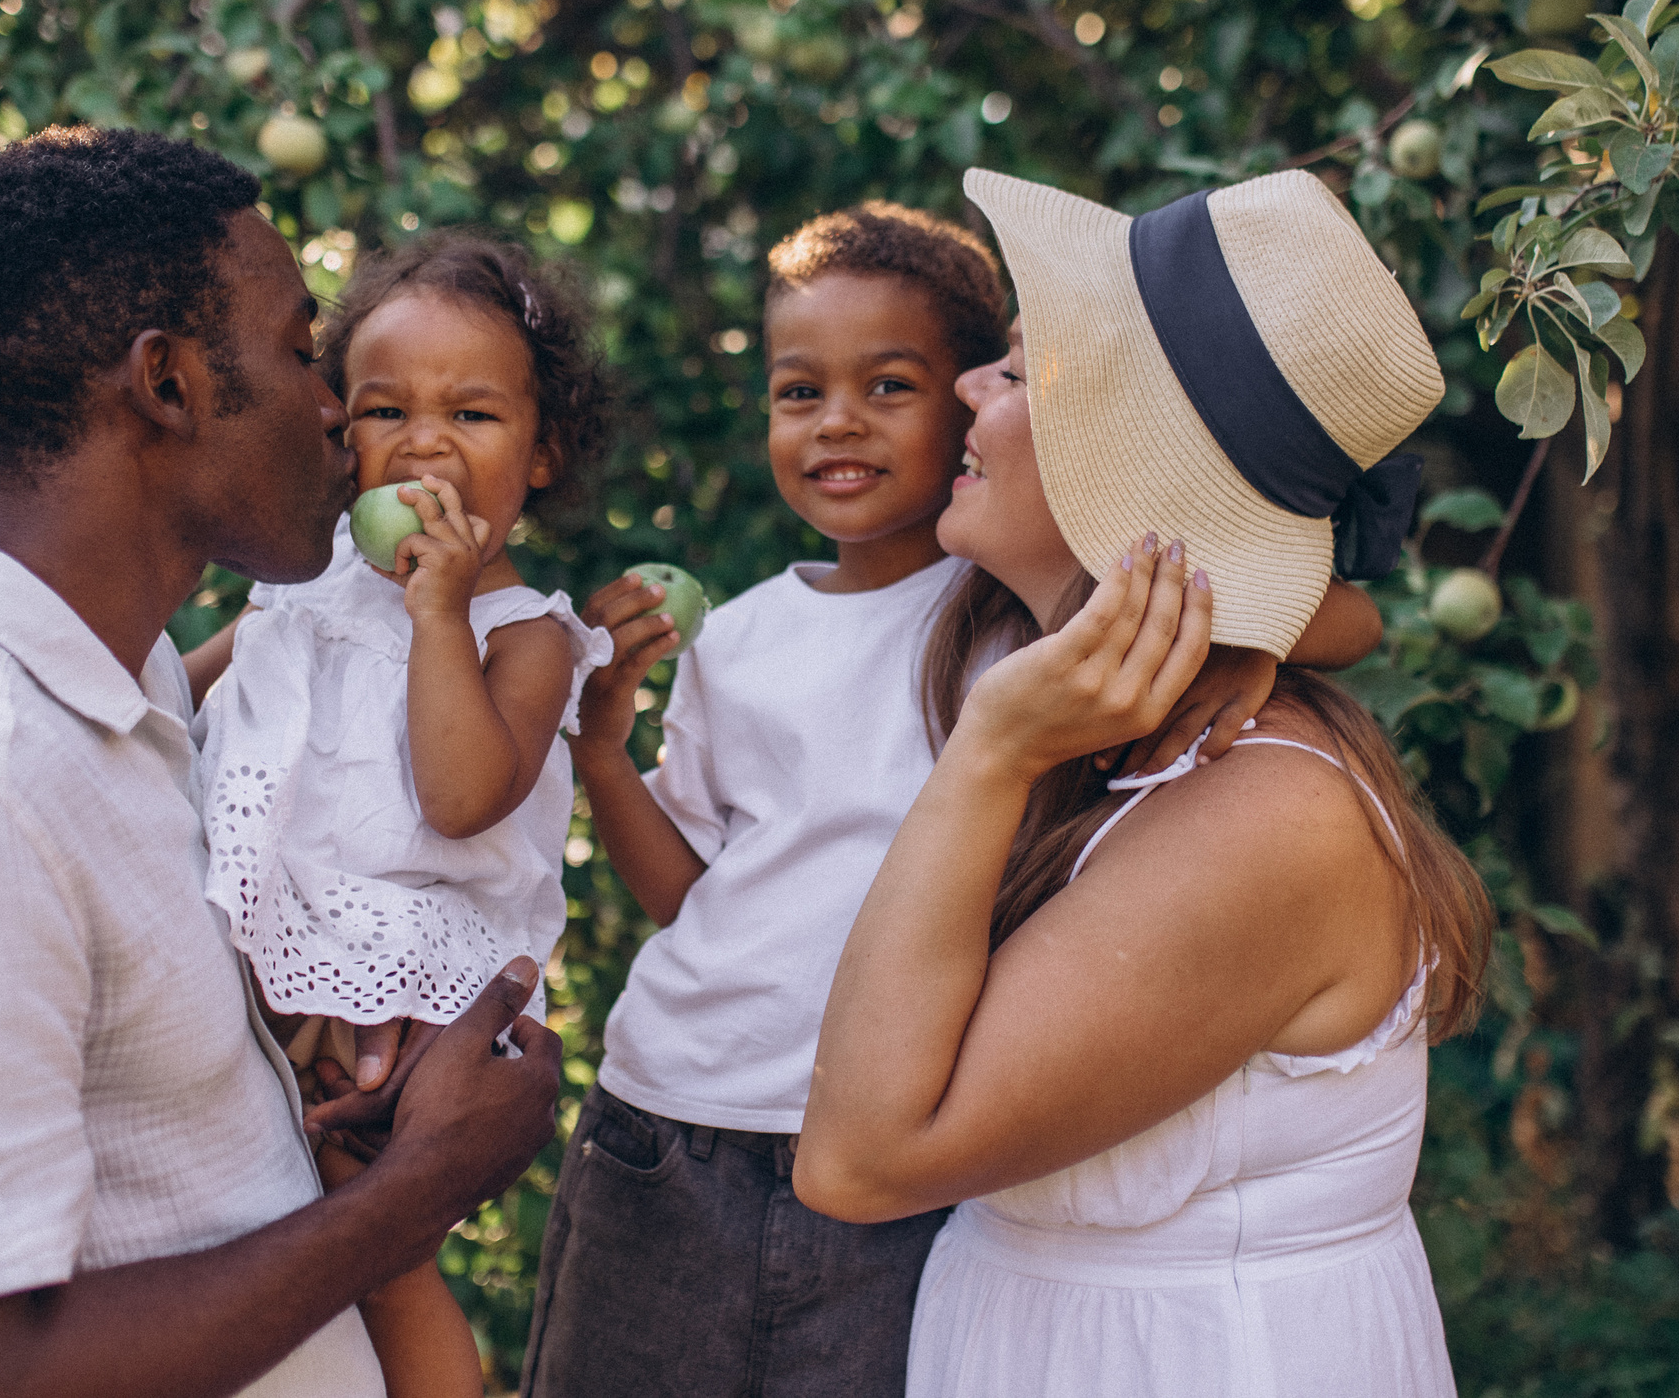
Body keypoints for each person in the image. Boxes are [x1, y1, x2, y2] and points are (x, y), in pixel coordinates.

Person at [0, 128, 559, 1398]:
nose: (341, 414)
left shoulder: (135, 690)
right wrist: (420, 1190)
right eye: (301, 356)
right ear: (167, 385)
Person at [523, 202, 1384, 1397]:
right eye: (795, 391)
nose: (837, 421)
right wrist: (605, 759)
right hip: (671, 1118)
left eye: (892, 385)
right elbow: (697, 895)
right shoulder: (742, 637)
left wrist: (1239, 638)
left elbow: (1338, 610)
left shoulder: (1009, 615)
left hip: (885, 1150)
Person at [795, 168, 1495, 1398]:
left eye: (1014, 372)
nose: (965, 384)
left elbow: (858, 1163)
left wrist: (990, 757)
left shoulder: (1261, 817)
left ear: (1115, 462)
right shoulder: (1091, 691)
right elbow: (1348, 619)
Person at [182, 233, 613, 1397]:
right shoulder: (298, 580)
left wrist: (440, 615)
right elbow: (175, 699)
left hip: (403, 973)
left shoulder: (523, 634)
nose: (423, 443)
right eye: (384, 412)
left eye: (471, 416)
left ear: (540, 455)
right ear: (338, 433)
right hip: (265, 947)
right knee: (258, 1235)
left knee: (377, 1252)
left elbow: (463, 795)